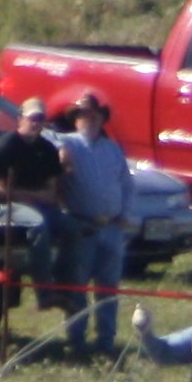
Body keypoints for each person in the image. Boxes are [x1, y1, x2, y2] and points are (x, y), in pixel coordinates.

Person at [58, 91, 133, 360]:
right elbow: (47, 141)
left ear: (101, 118)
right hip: (82, 224)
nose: (89, 119)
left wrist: (125, 214)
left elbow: (126, 184)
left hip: (112, 227)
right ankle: (76, 339)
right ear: (75, 119)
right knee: (78, 285)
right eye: (83, 115)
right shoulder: (66, 143)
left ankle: (106, 340)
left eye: (94, 115)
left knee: (108, 287)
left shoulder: (113, 149)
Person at [0, 96, 72, 311]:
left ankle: (66, 287)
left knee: (75, 228)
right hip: (6, 207)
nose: (36, 123)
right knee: (38, 224)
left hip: (38, 204)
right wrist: (30, 196)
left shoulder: (48, 150)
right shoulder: (6, 145)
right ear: (20, 119)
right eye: (32, 118)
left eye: (40, 119)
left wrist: (30, 196)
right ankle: (45, 294)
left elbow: (52, 193)